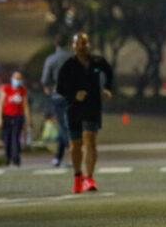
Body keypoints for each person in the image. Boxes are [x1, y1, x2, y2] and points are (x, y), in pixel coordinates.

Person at [56, 33, 114, 193]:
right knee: (75, 144)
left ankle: (89, 178)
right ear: (73, 46)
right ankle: (77, 176)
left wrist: (108, 88)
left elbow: (109, 71)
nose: (82, 46)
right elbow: (59, 88)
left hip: (92, 105)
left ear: (89, 45)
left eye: (84, 43)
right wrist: (74, 94)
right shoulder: (69, 65)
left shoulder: (97, 62)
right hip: (74, 107)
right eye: (78, 43)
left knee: (90, 140)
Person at [41, 34, 73, 167]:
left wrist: (48, 88)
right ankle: (59, 157)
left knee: (62, 125)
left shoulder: (51, 59)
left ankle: (70, 151)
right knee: (70, 124)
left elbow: (44, 79)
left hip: (58, 95)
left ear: (56, 44)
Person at [0, 71, 31, 167]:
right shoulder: (6, 89)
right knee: (6, 138)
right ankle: (7, 157)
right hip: (7, 117)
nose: (17, 80)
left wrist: (28, 119)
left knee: (16, 137)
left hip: (18, 117)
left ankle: (16, 158)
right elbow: (1, 104)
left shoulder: (22, 90)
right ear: (12, 78)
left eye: (19, 78)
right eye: (16, 78)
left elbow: (25, 106)